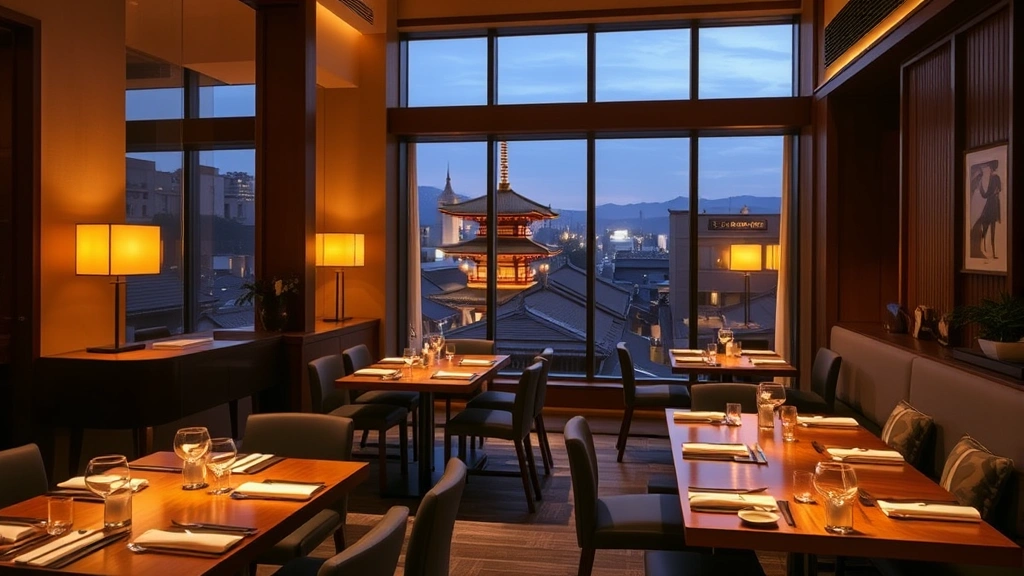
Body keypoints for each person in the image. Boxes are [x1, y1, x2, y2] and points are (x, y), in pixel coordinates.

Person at [973, 159, 1001, 259]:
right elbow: (997, 190)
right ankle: (993, 253)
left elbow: (986, 194)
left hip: (990, 207)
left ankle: (986, 249)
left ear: (991, 168)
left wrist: (980, 187)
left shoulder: (993, 177)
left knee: (985, 228)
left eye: (989, 167)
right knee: (991, 229)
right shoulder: (996, 177)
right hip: (995, 206)